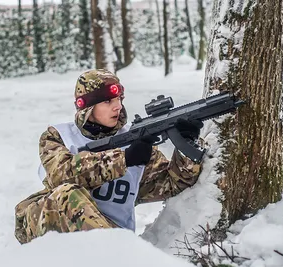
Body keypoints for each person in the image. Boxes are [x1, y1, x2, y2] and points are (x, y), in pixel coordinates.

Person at [14, 69, 205, 244]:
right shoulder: (58, 136)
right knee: (68, 194)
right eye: (108, 101)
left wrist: (186, 144)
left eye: (120, 99)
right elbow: (61, 175)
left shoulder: (135, 139)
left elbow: (171, 183)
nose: (118, 106)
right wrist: (123, 159)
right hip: (48, 227)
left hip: (112, 239)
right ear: (87, 108)